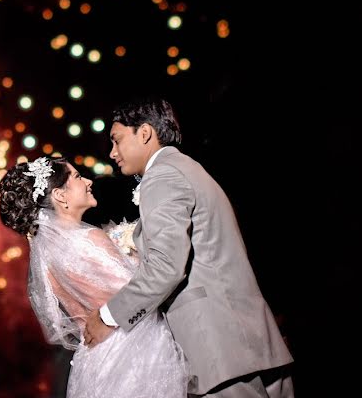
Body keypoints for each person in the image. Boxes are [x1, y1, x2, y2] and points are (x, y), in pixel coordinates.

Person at [83, 97, 294, 397]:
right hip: (251, 341)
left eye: (116, 140)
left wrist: (109, 317)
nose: (112, 153)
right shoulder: (188, 168)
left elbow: (167, 267)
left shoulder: (163, 175)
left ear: (144, 133)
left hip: (221, 348)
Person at [0, 155, 188, 398]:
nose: (88, 181)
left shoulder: (46, 258)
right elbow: (140, 291)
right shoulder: (89, 240)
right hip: (136, 354)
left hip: (94, 359)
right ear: (60, 196)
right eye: (77, 177)